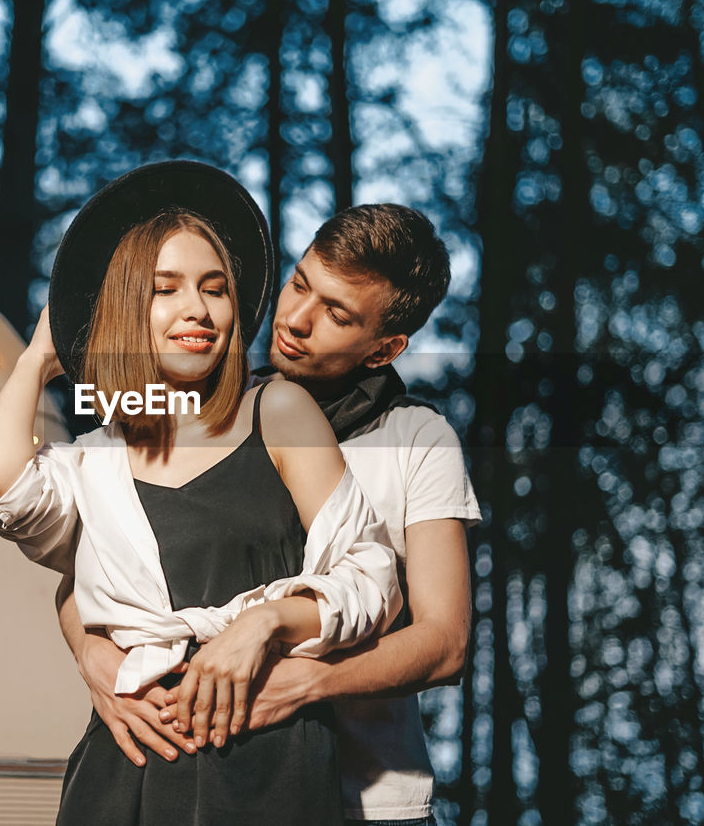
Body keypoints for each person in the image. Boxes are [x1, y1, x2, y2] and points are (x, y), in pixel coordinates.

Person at [0, 162, 402, 826]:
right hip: (127, 766)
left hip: (268, 767)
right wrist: (36, 357)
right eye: (166, 289)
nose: (197, 308)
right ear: (127, 311)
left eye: (215, 288)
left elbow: (372, 576)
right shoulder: (98, 456)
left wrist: (265, 622)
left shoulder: (277, 411)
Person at [59, 203, 481, 826]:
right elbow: (89, 566)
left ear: (385, 347)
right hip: (214, 782)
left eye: (336, 314)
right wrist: (92, 655)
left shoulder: (419, 438)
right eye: (300, 284)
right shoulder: (209, 410)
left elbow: (445, 644)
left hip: (368, 798)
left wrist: (305, 681)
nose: (297, 320)